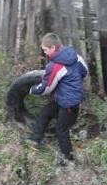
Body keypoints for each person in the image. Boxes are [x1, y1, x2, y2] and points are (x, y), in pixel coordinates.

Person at [28, 33, 89, 164]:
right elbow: (85, 71)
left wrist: (32, 90)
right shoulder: (75, 56)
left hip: (69, 104)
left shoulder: (55, 66)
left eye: (45, 49)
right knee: (45, 113)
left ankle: (68, 158)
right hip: (63, 98)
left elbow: (46, 88)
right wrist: (72, 83)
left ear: (53, 48)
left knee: (61, 130)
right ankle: (35, 140)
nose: (44, 52)